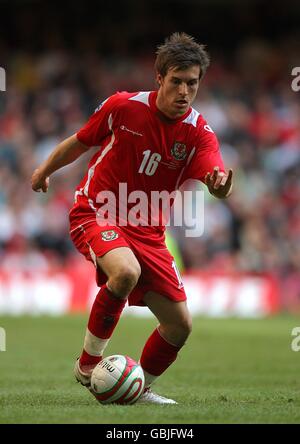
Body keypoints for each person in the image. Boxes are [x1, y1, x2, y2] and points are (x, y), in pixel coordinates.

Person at [31, 32, 233, 404]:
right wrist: (45, 169)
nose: (184, 92)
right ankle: (87, 365)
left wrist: (219, 187)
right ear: (159, 78)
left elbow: (215, 176)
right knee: (125, 272)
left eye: (192, 83)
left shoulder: (199, 133)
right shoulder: (124, 107)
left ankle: (138, 389)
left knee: (179, 326)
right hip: (96, 211)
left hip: (149, 233)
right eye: (176, 82)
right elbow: (80, 140)